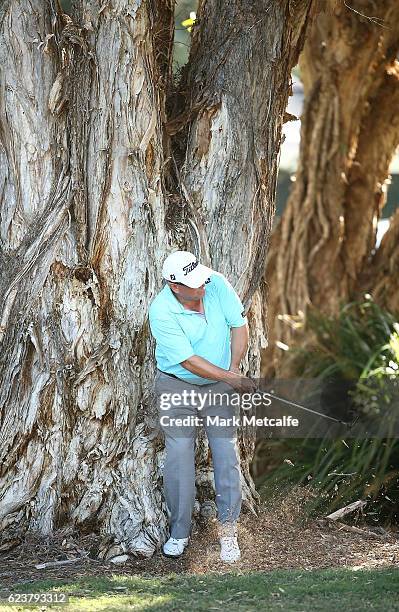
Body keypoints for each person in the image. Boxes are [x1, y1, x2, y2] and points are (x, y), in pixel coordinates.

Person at [148, 250, 256, 563]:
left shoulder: (216, 284)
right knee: (179, 455)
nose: (203, 286)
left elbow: (239, 325)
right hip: (176, 384)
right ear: (174, 286)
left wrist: (232, 371)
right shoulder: (162, 310)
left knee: (225, 454)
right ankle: (179, 533)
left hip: (219, 385)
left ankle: (228, 534)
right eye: (194, 284)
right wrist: (232, 378)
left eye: (202, 278)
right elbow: (189, 362)